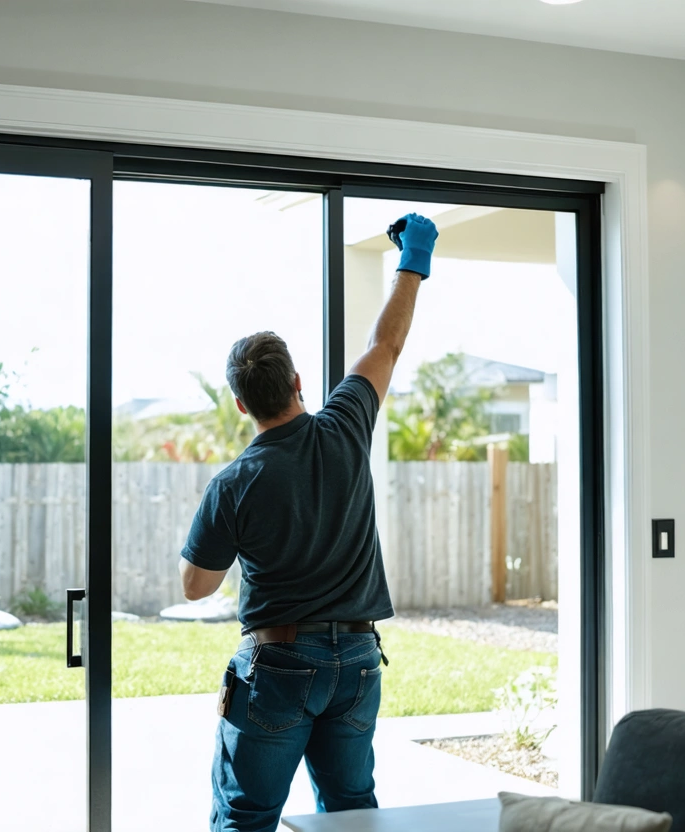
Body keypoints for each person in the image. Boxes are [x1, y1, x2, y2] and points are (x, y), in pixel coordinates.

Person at [177, 213, 439, 832]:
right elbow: (386, 346)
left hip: (279, 666)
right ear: (297, 382)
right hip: (357, 660)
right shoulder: (346, 424)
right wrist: (414, 258)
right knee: (351, 815)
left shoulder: (235, 482)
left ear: (240, 403)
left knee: (245, 817)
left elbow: (195, 586)